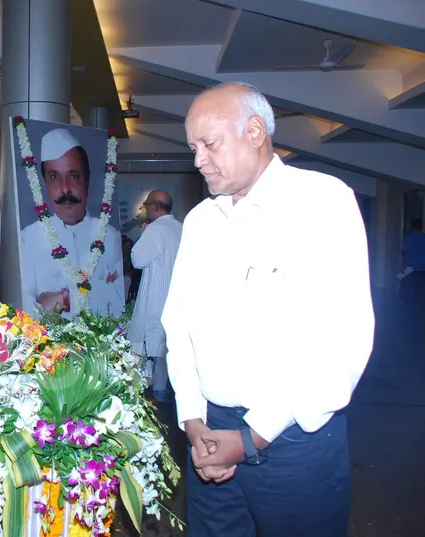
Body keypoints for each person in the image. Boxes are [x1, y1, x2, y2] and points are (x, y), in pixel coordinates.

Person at [161, 82, 374, 537]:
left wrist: (252, 436)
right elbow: (177, 325)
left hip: (296, 442)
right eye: (193, 147)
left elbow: (343, 338)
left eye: (209, 144)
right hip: (211, 432)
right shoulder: (200, 221)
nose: (198, 159)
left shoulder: (321, 201)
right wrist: (193, 421)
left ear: (255, 131)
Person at [20, 128, 124, 318]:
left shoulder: (110, 236)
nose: (65, 188)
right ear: (44, 183)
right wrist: (100, 290)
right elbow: (26, 305)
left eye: (74, 176)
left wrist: (62, 298)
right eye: (54, 177)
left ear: (87, 180)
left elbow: (118, 299)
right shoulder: (28, 238)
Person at [128, 190, 182, 404]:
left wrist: (144, 234)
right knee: (168, 354)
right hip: (177, 301)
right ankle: (165, 397)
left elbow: (137, 260)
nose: (144, 209)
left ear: (155, 207)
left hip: (157, 300)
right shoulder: (180, 228)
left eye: (146, 205)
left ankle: (153, 400)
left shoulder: (155, 230)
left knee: (149, 350)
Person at [400, 218, 425, 315]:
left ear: (412, 226)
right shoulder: (423, 238)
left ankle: (410, 307)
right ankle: (420, 306)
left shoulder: (409, 238)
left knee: (409, 287)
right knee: (420, 288)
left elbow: (406, 254)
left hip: (411, 268)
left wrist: (403, 268)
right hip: (423, 268)